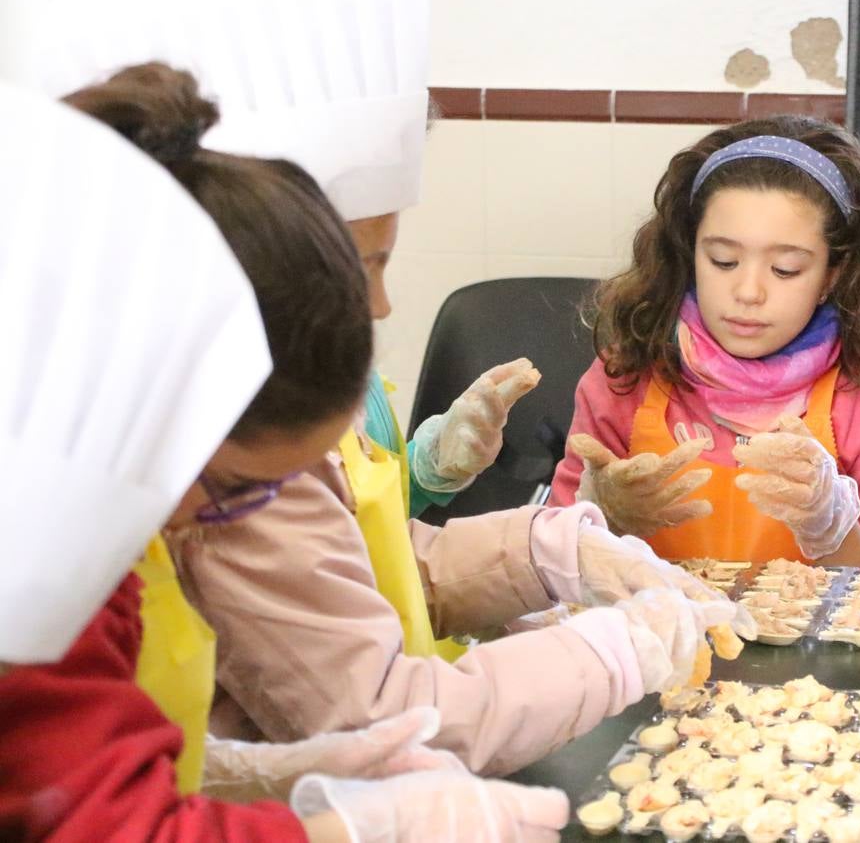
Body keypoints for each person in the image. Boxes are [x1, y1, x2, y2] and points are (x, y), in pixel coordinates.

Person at [40, 0, 747, 776]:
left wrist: (544, 548)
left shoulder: (269, 411)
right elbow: (373, 710)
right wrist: (612, 654)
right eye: (364, 269)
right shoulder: (223, 461)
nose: (379, 307)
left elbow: (359, 570)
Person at [0, 79, 571, 843]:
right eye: (234, 488)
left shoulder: (98, 525)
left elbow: (84, 769)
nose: (195, 523)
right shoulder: (46, 551)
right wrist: (340, 830)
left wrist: (245, 780)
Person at [549, 116, 860, 568]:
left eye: (786, 269)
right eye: (723, 261)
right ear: (690, 255)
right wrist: (605, 515)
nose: (749, 292)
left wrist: (835, 533)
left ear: (832, 275)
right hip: (648, 637)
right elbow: (549, 564)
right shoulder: (624, 379)